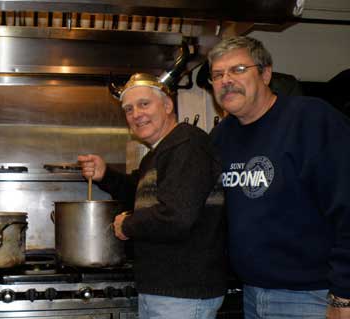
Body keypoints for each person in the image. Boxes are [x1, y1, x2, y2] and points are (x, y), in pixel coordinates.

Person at [208, 36, 350, 319]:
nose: (225, 80)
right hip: (252, 294)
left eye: (237, 69)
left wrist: (344, 296)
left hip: (313, 298)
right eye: (217, 74)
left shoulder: (310, 119)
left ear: (265, 73)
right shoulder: (223, 136)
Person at [78, 71, 227, 318]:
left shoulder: (187, 146)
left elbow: (176, 216)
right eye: (128, 110)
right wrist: (106, 175)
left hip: (183, 292)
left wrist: (127, 224)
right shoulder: (159, 153)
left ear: (168, 105)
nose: (136, 114)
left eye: (144, 104)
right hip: (166, 291)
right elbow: (138, 193)